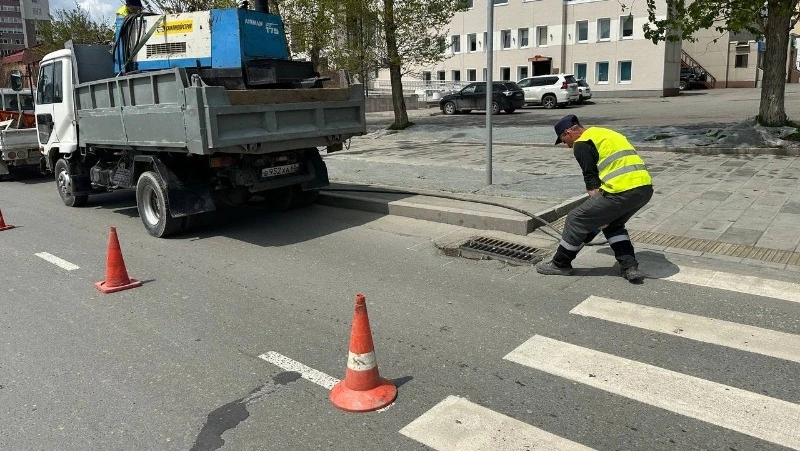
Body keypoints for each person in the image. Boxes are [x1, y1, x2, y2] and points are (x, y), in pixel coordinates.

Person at [535, 114, 653, 283]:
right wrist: (598, 220)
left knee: (575, 219)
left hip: (620, 191)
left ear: (568, 132)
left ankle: (560, 264)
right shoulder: (605, 133)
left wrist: (590, 225)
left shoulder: (582, 143)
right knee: (613, 225)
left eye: (563, 140)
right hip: (644, 189)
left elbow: (592, 184)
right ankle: (630, 267)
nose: (567, 145)